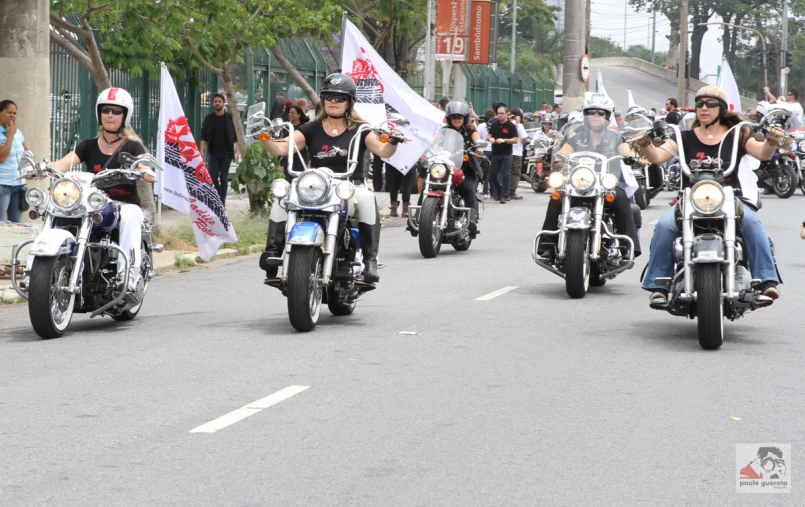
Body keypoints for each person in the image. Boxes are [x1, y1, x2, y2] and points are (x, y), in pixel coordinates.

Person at [638, 86, 784, 304]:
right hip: (690, 199)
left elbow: (763, 153)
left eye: (710, 104)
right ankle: (659, 284)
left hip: (729, 197)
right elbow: (658, 156)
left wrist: (772, 140)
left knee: (753, 223)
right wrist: (645, 144)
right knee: (664, 226)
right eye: (699, 104)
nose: (704, 108)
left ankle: (766, 280)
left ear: (722, 108)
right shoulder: (683, 136)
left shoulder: (737, 135)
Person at [258, 73, 399, 284]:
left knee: (368, 198)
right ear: (323, 99)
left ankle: (370, 260)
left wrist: (393, 141)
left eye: (340, 97)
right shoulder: (311, 128)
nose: (334, 101)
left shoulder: (360, 129)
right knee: (284, 194)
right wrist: (265, 137)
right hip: (317, 185)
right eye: (329, 96)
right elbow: (282, 147)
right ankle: (272, 251)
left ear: (349, 101)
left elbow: (383, 151)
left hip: (349, 186)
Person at [48, 88, 155, 296]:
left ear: (125, 115)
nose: (110, 115)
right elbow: (62, 164)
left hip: (124, 204)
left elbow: (143, 163)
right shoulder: (87, 146)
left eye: (116, 111)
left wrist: (145, 171)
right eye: (106, 110)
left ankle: (128, 272)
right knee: (63, 212)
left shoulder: (132, 146)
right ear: (100, 113)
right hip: (94, 203)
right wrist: (40, 168)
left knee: (132, 214)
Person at [536, 93, 641, 260]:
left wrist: (635, 157)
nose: (596, 116)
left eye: (601, 113)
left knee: (621, 198)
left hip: (607, 184)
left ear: (607, 116)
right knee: (557, 197)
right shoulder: (576, 138)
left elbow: (627, 151)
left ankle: (627, 246)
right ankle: (547, 246)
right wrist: (555, 159)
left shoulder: (616, 138)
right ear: (586, 115)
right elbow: (562, 154)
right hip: (579, 182)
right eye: (592, 112)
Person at [444, 99, 482, 235]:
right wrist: (425, 151)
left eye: (459, 116)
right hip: (447, 166)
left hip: (466, 167)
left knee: (468, 188)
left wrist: (478, 149)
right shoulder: (445, 130)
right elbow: (433, 140)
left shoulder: (470, 129)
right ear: (449, 118)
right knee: (430, 182)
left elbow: (477, 140)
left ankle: (471, 220)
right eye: (453, 116)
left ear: (464, 117)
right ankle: (419, 215)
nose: (456, 119)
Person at [200, 93, 238, 204]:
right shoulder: (209, 119)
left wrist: (237, 151)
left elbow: (236, 137)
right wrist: (201, 151)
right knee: (213, 177)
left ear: (224, 103)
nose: (217, 103)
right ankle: (217, 200)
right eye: (215, 101)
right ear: (213, 104)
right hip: (213, 153)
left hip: (227, 153)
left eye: (219, 101)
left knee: (224, 178)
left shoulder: (229, 118)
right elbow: (204, 137)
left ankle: (222, 202)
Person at [0, 100, 29, 223]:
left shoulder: (18, 133)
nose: (12, 116)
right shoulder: (12, 133)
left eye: (14, 113)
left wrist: (29, 168)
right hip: (3, 185)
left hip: (19, 185)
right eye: (9, 112)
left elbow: (26, 151)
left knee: (16, 224)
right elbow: (2, 157)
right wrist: (10, 135)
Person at [487, 105, 518, 203]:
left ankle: (505, 195)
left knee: (505, 174)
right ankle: (499, 191)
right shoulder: (494, 124)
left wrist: (505, 140)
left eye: (502, 113)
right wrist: (490, 139)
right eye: (498, 113)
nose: (500, 115)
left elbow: (515, 139)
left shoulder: (511, 126)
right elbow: (489, 134)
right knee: (493, 175)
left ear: (507, 114)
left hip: (506, 153)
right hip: (495, 153)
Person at [278, 105, 309, 178]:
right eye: (289, 112)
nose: (290, 114)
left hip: (300, 157)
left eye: (292, 113)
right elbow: (281, 141)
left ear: (299, 115)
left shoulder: (304, 128)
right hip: (286, 156)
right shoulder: (286, 127)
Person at [508, 107, 529, 200]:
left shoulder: (506, 124)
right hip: (516, 153)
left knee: (506, 172)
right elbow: (524, 139)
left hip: (507, 152)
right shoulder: (519, 126)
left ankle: (504, 191)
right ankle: (512, 192)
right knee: (515, 173)